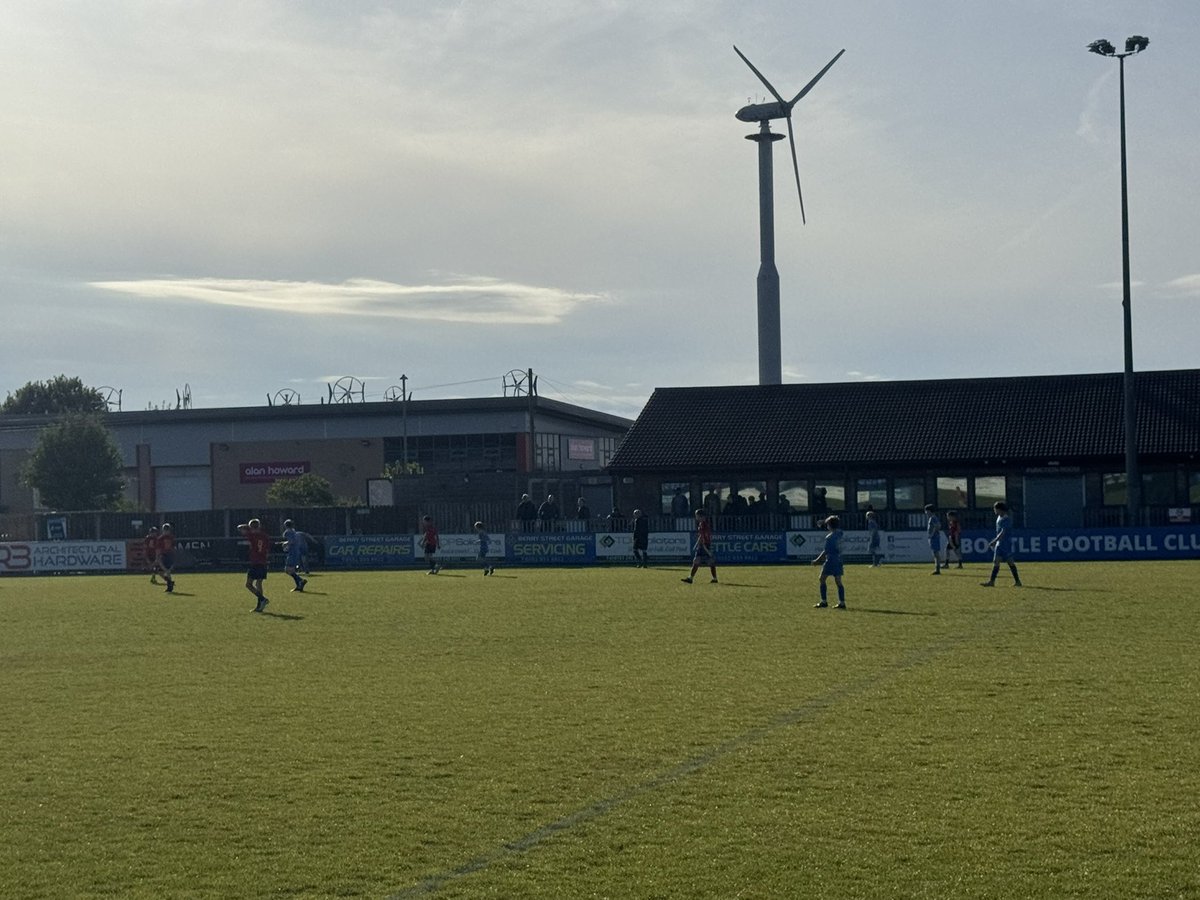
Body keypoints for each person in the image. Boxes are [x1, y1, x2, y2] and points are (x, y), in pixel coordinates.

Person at [981, 501, 1022, 587]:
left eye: (995, 509)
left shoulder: (1006, 519)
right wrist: (996, 542)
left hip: (1005, 544)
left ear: (999, 509)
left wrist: (994, 541)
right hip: (999, 544)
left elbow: (1003, 532)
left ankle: (1018, 581)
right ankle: (992, 582)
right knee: (996, 562)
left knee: (1010, 562)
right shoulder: (999, 517)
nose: (994, 510)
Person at [811, 515, 847, 609]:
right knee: (838, 581)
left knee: (822, 579)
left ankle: (823, 601)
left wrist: (816, 561)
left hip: (831, 560)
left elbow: (825, 551)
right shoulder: (840, 533)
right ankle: (842, 602)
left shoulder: (829, 537)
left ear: (829, 525)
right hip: (839, 560)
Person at [238, 519, 272, 613]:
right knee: (259, 583)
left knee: (248, 584)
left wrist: (246, 527)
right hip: (263, 561)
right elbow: (267, 550)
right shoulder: (265, 536)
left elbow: (240, 528)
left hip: (255, 561)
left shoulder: (252, 535)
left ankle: (262, 599)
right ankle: (260, 605)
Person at [681, 509, 717, 584]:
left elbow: (705, 537)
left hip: (705, 545)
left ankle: (714, 578)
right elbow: (700, 536)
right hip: (702, 545)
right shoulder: (701, 524)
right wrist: (697, 544)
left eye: (697, 516)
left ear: (701, 516)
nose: (696, 517)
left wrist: (706, 549)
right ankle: (690, 578)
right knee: (696, 561)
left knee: (710, 562)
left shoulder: (705, 525)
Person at [280, 519, 308, 592]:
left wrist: (285, 544)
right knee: (291, 570)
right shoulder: (294, 531)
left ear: (285, 525)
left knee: (287, 570)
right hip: (296, 552)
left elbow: (291, 541)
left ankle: (300, 580)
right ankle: (299, 585)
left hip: (292, 552)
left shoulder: (288, 532)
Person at [158, 523, 177, 594]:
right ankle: (170, 582)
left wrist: (174, 555)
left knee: (168, 571)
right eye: (165, 530)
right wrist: (158, 556)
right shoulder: (160, 538)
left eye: (167, 530)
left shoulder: (171, 538)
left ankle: (169, 587)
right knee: (160, 572)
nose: (166, 531)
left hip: (169, 555)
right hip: (163, 555)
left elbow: (174, 547)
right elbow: (158, 548)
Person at [925, 504, 943, 575]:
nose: (925, 513)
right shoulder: (932, 518)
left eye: (926, 511)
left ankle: (937, 569)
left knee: (936, 553)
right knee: (934, 553)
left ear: (929, 511)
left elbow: (938, 525)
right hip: (933, 537)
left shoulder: (933, 518)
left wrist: (932, 533)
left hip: (934, 537)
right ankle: (937, 568)